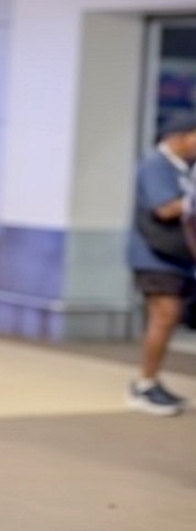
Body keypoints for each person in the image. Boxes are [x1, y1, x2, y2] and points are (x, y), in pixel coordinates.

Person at [126, 113, 196, 416]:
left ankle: (151, 381)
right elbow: (164, 209)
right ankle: (145, 384)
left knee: (169, 316)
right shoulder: (156, 165)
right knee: (165, 315)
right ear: (180, 136)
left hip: (177, 255)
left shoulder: (182, 168)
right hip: (155, 255)